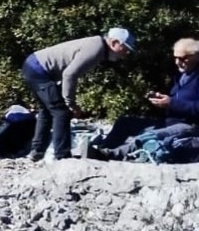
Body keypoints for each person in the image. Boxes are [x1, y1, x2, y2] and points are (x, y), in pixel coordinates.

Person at [90, 37, 199, 160]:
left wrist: (171, 103)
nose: (177, 62)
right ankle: (103, 148)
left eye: (182, 58)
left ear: (197, 56)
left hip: (195, 127)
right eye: (175, 58)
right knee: (125, 122)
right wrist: (160, 101)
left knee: (149, 137)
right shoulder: (181, 75)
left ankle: (109, 154)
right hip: (171, 122)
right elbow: (176, 103)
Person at [21, 27, 135, 162]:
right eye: (125, 48)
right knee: (61, 112)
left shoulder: (97, 46)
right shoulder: (96, 49)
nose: (126, 53)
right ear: (114, 42)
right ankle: (62, 156)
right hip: (38, 70)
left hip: (33, 65)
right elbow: (69, 75)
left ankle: (37, 152)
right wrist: (70, 103)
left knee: (47, 110)